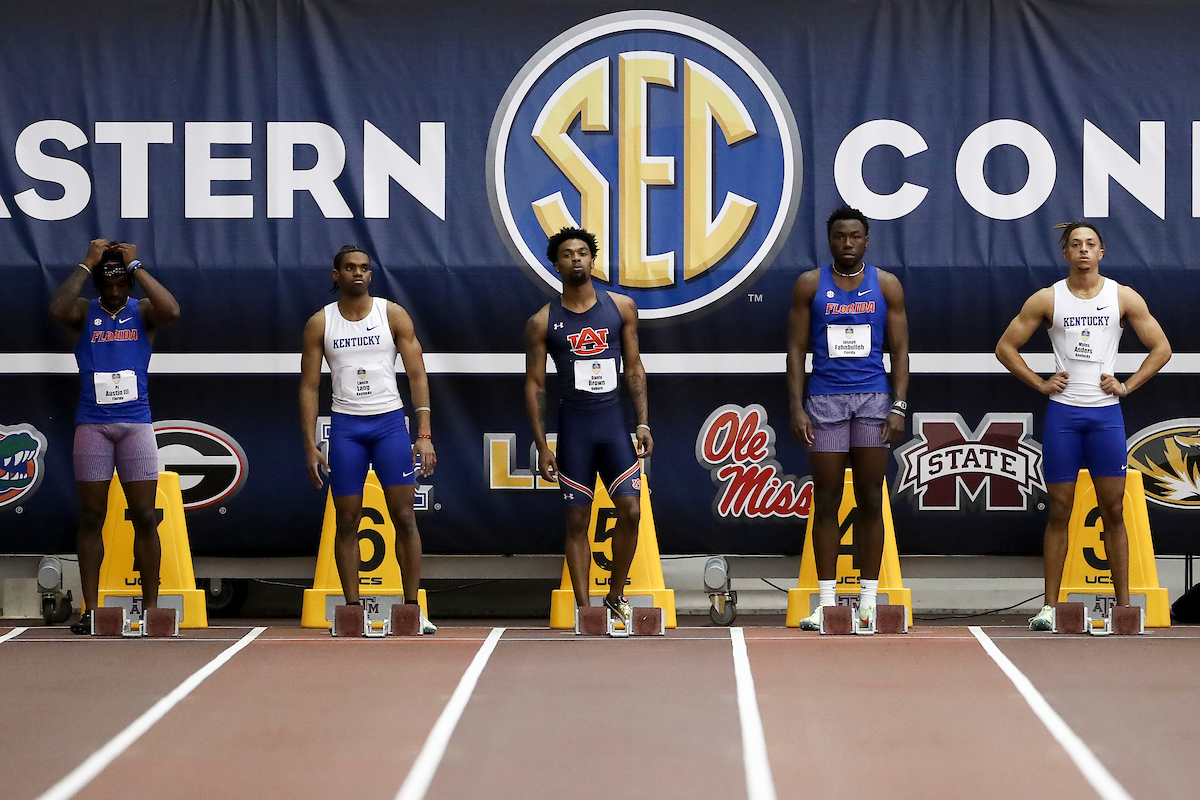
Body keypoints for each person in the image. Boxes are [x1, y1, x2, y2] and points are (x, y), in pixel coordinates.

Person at [996, 221, 1171, 631]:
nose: (1083, 251)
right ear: (1066, 254)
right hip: (1064, 415)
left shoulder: (1122, 297)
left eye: (1090, 244)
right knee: (1060, 509)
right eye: (1075, 245)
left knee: (1113, 508)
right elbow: (1006, 346)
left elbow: (1161, 348)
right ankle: (1049, 608)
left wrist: (1126, 385)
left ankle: (1124, 608)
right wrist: (1040, 382)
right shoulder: (1047, 299)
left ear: (1101, 252)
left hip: (1106, 415)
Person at [300, 245, 437, 633]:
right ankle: (352, 611)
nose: (357, 273)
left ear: (370, 275)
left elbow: (417, 376)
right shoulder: (320, 323)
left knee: (405, 517)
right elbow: (309, 387)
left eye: (363, 268)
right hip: (347, 429)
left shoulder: (391, 314)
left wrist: (423, 434)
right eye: (349, 267)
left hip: (390, 426)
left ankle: (412, 609)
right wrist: (310, 442)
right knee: (347, 520)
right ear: (336, 275)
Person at [787, 206, 909, 631]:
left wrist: (899, 405)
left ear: (866, 240)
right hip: (825, 402)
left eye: (855, 236)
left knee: (872, 499)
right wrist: (796, 405)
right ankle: (827, 602)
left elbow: (900, 352)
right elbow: (796, 350)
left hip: (874, 401)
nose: (847, 244)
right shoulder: (810, 284)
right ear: (830, 240)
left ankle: (868, 602)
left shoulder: (886, 284)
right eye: (840, 237)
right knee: (826, 501)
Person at [49, 239, 180, 634]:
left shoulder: (143, 312)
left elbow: (171, 310)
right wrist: (88, 262)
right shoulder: (83, 312)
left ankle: (152, 607)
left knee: (145, 515)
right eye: (107, 281)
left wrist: (135, 263)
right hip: (93, 425)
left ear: (129, 281)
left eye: (120, 279)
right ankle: (92, 609)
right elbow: (56, 310)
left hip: (136, 424)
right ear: (98, 284)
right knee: (92, 516)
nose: (114, 287)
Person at [524, 227, 652, 630]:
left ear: (593, 261)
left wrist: (643, 422)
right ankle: (586, 610)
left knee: (630, 510)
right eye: (567, 254)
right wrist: (543, 444)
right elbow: (534, 385)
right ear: (556, 264)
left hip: (613, 426)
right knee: (577, 522)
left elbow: (633, 368)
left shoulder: (622, 308)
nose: (576, 259)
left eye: (583, 253)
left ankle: (614, 596)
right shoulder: (542, 321)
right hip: (575, 430)